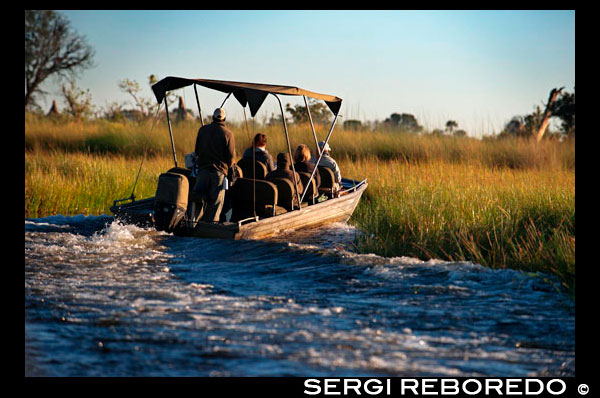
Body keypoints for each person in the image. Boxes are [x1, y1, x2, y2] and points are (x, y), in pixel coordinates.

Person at [191, 107, 236, 222]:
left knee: (198, 200)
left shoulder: (202, 130)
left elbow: (196, 151)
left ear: (212, 117)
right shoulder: (228, 134)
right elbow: (231, 158)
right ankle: (211, 227)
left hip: (202, 173)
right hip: (219, 174)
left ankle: (194, 223)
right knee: (215, 204)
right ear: (224, 119)